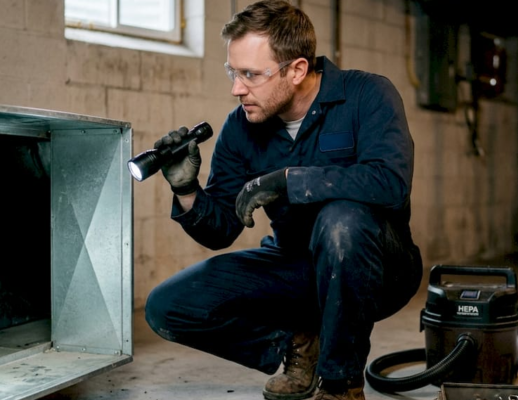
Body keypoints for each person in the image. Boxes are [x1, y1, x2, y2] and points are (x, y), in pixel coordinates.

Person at [144, 1, 423, 399]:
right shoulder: (241, 126)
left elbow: (390, 182)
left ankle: (340, 383)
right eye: (233, 72)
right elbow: (222, 228)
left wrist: (291, 181)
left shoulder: (366, 95)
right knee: (168, 305)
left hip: (379, 268)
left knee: (341, 219)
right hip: (297, 265)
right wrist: (187, 189)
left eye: (251, 75)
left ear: (297, 70)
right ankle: (299, 341)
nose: (237, 88)